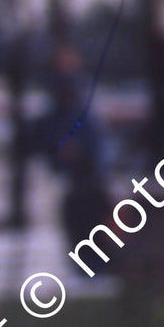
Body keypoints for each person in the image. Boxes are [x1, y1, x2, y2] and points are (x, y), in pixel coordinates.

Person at [33, 44, 110, 251]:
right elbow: (47, 146)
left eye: (70, 68)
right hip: (61, 186)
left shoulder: (88, 113)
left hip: (88, 185)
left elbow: (95, 148)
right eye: (61, 69)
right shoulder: (49, 118)